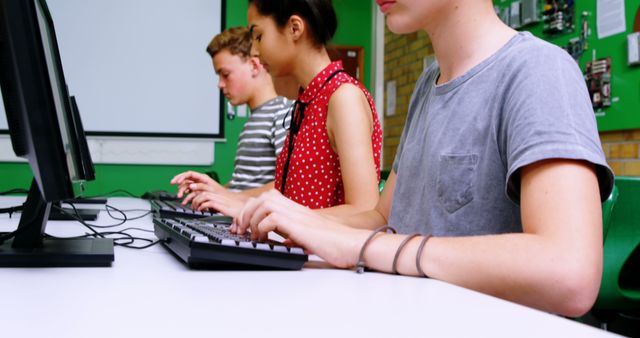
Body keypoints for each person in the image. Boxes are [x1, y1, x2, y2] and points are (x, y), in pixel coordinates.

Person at [232, 0, 615, 317]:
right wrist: (294, 221)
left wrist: (365, 248)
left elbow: (570, 272)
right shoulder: (427, 85)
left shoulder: (539, 70)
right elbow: (383, 217)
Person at [181, 0, 383, 219]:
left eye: (258, 37)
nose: (255, 52)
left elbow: (364, 210)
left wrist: (263, 213)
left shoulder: (343, 97)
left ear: (294, 28)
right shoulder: (305, 103)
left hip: (321, 253)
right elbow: (292, 196)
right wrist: (230, 198)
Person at [170, 26, 293, 207]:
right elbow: (243, 186)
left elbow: (287, 186)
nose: (220, 84)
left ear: (253, 66)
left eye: (225, 74)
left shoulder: (283, 113)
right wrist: (210, 190)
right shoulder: (251, 123)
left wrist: (225, 196)